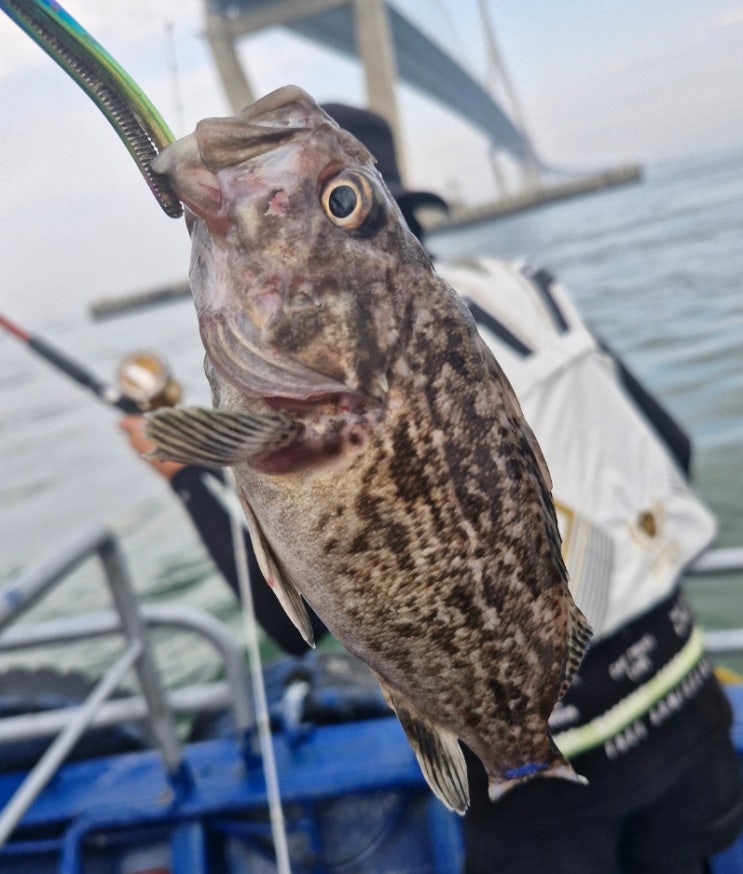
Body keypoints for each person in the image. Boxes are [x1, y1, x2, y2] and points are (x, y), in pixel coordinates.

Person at [120, 103, 743, 873]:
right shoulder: (530, 287)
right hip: (685, 693)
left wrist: (184, 476)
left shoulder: (346, 365)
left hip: (545, 769)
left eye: (339, 202)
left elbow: (287, 625)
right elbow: (672, 449)